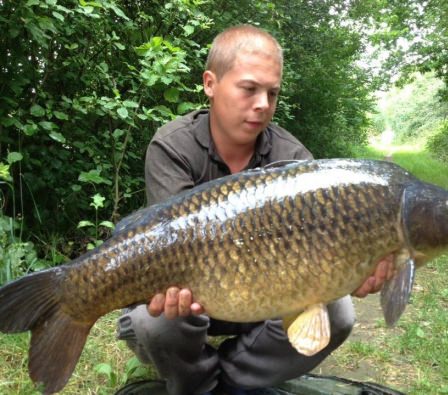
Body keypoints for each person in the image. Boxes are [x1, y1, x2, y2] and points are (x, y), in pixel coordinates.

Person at [117, 25, 394, 395]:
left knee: (338, 312)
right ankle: (194, 385)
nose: (263, 103)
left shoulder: (294, 159)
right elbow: (169, 245)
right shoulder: (172, 146)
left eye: (272, 93)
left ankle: (232, 384)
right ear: (210, 83)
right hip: (192, 289)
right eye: (249, 89)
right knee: (158, 323)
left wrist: (349, 271)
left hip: (267, 293)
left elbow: (320, 251)